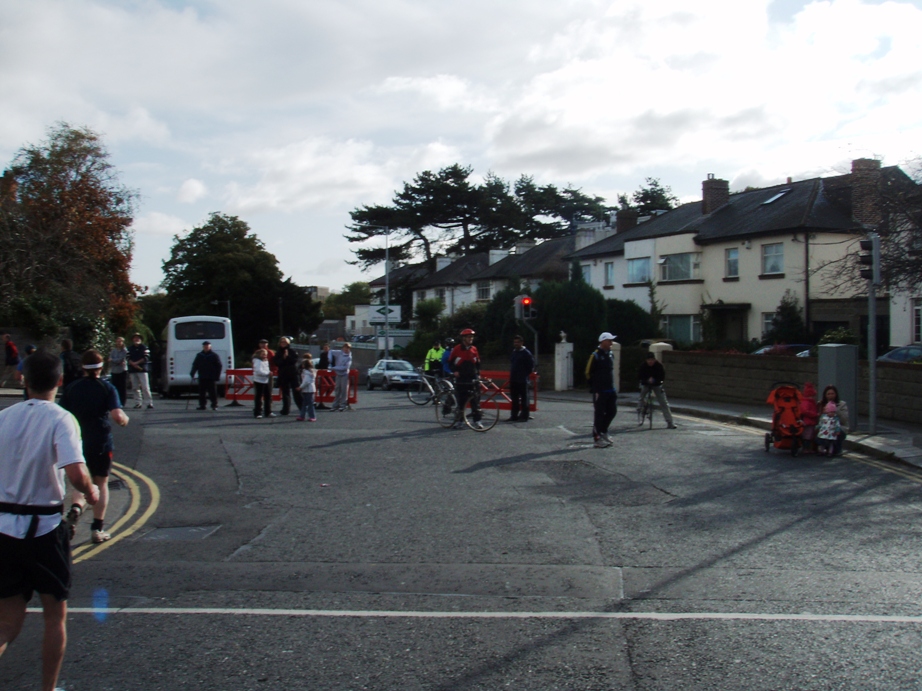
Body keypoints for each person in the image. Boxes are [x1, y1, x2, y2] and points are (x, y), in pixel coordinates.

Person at [0, 348, 99, 691]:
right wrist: (90, 492)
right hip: (44, 529)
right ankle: (47, 689)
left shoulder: (4, 417)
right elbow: (75, 472)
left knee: (7, 624)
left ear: (23, 380)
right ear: (60, 381)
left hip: (4, 530)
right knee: (54, 616)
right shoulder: (60, 418)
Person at [60, 349, 129, 544]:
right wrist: (124, 420)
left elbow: (60, 415)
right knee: (101, 483)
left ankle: (76, 507)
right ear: (101, 367)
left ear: (83, 367)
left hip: (77, 441)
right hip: (100, 441)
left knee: (80, 479)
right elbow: (117, 416)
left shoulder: (72, 388)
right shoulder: (107, 388)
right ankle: (97, 529)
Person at [588, 332, 617, 448]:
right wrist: (594, 387)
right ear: (603, 341)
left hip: (610, 389)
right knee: (599, 414)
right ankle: (597, 437)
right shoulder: (595, 355)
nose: (611, 343)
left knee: (612, 411)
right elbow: (588, 372)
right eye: (609, 341)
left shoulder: (610, 354)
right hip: (600, 390)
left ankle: (603, 431)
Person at [449, 329, 482, 430]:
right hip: (461, 378)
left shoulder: (474, 349)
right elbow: (450, 362)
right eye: (468, 337)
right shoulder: (457, 349)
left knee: (475, 400)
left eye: (471, 337)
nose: (471, 339)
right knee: (461, 401)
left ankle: (477, 421)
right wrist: (455, 371)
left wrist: (478, 374)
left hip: (472, 377)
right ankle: (460, 421)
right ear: (463, 338)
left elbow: (477, 363)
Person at [638, 352, 677, 429]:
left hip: (657, 385)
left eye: (652, 360)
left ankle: (670, 422)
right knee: (641, 396)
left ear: (655, 360)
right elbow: (640, 377)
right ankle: (641, 408)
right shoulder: (643, 366)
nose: (650, 362)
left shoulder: (659, 366)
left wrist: (655, 380)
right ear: (646, 360)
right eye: (649, 360)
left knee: (664, 402)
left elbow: (662, 377)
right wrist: (646, 380)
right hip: (645, 384)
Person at [507, 335, 534, 422]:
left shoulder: (526, 353)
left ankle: (524, 416)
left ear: (522, 343)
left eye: (518, 342)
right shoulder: (514, 352)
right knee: (514, 399)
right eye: (515, 342)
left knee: (524, 399)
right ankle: (514, 415)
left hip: (522, 379)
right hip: (513, 379)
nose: (516, 344)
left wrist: (524, 374)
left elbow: (530, 366)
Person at [190, 341, 223, 411]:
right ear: (203, 347)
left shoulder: (214, 355)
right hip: (202, 376)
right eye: (205, 346)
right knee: (202, 392)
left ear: (210, 347)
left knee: (213, 392)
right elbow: (195, 365)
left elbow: (219, 366)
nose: (206, 347)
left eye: (207, 346)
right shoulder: (199, 355)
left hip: (211, 377)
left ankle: (214, 405)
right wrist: (192, 372)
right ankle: (202, 405)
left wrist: (217, 376)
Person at [273, 337, 302, 416]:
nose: (283, 343)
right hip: (283, 374)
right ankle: (286, 409)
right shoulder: (278, 352)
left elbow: (294, 361)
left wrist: (287, 357)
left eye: (285, 342)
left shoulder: (292, 351)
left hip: (293, 373)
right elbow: (276, 362)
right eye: (282, 342)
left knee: (297, 392)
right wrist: (283, 358)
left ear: (288, 343)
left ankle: (302, 408)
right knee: (285, 393)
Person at [127, 333, 153, 410]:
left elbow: (146, 357)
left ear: (141, 339)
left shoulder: (145, 347)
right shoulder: (130, 348)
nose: (136, 339)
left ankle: (149, 403)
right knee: (135, 387)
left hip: (142, 369)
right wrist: (132, 363)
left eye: (138, 338)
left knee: (145, 387)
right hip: (133, 370)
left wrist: (137, 363)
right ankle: (138, 403)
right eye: (135, 338)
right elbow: (127, 357)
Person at [821, 385, 849, 455]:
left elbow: (844, 420)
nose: (831, 396)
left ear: (836, 394)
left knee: (837, 432)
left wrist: (835, 411)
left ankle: (837, 448)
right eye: (828, 394)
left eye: (832, 394)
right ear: (825, 395)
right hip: (825, 427)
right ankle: (823, 446)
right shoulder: (821, 404)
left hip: (838, 427)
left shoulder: (842, 404)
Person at [251, 349, 274, 419]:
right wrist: (267, 373)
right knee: (259, 397)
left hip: (265, 380)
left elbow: (266, 369)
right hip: (259, 380)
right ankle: (258, 413)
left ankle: (268, 412)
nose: (264, 356)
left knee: (268, 396)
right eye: (263, 354)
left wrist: (268, 372)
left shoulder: (265, 361)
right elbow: (258, 371)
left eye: (265, 355)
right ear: (259, 354)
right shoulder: (257, 361)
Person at [330, 343, 353, 412]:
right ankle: (335, 405)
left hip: (344, 374)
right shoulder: (339, 353)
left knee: (344, 390)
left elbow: (345, 367)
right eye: (345, 348)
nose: (346, 349)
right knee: (337, 389)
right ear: (343, 348)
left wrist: (334, 368)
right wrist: (330, 360)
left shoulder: (349, 357)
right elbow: (330, 351)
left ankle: (343, 405)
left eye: (348, 348)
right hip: (338, 374)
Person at [296, 353, 317, 422]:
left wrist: (300, 387)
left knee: (309, 404)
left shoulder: (306, 373)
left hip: (308, 390)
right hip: (309, 389)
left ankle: (311, 416)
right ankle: (302, 415)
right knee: (305, 403)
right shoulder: (310, 372)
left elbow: (306, 382)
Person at [108, 336, 129, 406]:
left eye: (120, 341)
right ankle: (116, 401)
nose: (118, 343)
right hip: (114, 371)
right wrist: (115, 361)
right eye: (117, 341)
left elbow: (121, 359)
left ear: (123, 342)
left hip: (122, 371)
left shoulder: (125, 351)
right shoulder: (113, 351)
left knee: (122, 388)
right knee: (115, 387)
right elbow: (109, 360)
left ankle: (122, 402)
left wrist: (114, 360)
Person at [800, 382, 819, 453]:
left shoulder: (807, 402)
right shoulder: (808, 402)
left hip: (810, 421)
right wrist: (815, 414)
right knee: (807, 436)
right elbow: (805, 411)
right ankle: (806, 448)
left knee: (809, 436)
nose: (813, 397)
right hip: (808, 422)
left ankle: (808, 448)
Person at [315, 344, 331, 410]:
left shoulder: (331, 355)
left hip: (329, 371)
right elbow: (321, 362)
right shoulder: (322, 354)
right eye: (324, 347)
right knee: (322, 385)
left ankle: (326, 396)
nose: (325, 348)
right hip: (322, 371)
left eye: (326, 347)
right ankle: (321, 400)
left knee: (330, 385)